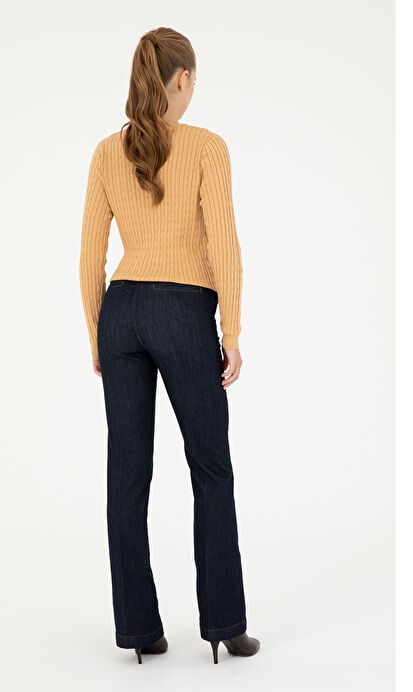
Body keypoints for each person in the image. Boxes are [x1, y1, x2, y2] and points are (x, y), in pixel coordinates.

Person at [79, 26, 260, 664]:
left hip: (122, 315)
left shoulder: (107, 152)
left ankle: (139, 632)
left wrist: (97, 331)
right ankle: (225, 625)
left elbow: (90, 256)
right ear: (181, 79)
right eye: (193, 80)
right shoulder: (207, 146)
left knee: (126, 475)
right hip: (184, 314)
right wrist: (230, 333)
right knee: (210, 468)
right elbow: (224, 243)